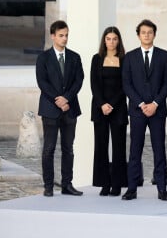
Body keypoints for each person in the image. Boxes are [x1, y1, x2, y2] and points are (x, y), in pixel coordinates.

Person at [122, 19, 167, 201]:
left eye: (150, 32)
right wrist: (141, 104)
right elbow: (126, 84)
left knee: (159, 149)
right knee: (135, 150)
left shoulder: (164, 56)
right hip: (137, 111)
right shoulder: (129, 57)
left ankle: (161, 189)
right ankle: (131, 189)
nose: (146, 35)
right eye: (143, 32)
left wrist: (155, 104)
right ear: (138, 35)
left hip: (157, 111)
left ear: (154, 34)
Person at [35, 20, 85, 197]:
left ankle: (67, 184)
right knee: (49, 148)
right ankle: (48, 186)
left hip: (70, 109)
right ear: (53, 36)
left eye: (66, 35)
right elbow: (42, 82)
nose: (64, 39)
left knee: (68, 148)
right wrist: (57, 99)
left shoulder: (74, 57)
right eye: (61, 35)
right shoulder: (43, 58)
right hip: (50, 109)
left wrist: (66, 98)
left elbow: (79, 80)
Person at [90, 26, 128, 197]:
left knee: (119, 147)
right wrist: (102, 104)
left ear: (118, 40)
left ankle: (117, 184)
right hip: (100, 109)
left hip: (118, 107)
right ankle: (104, 183)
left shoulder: (125, 60)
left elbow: (125, 86)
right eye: (108, 38)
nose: (111, 42)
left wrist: (111, 104)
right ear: (104, 41)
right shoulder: (96, 59)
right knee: (101, 146)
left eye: (114, 39)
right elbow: (94, 84)